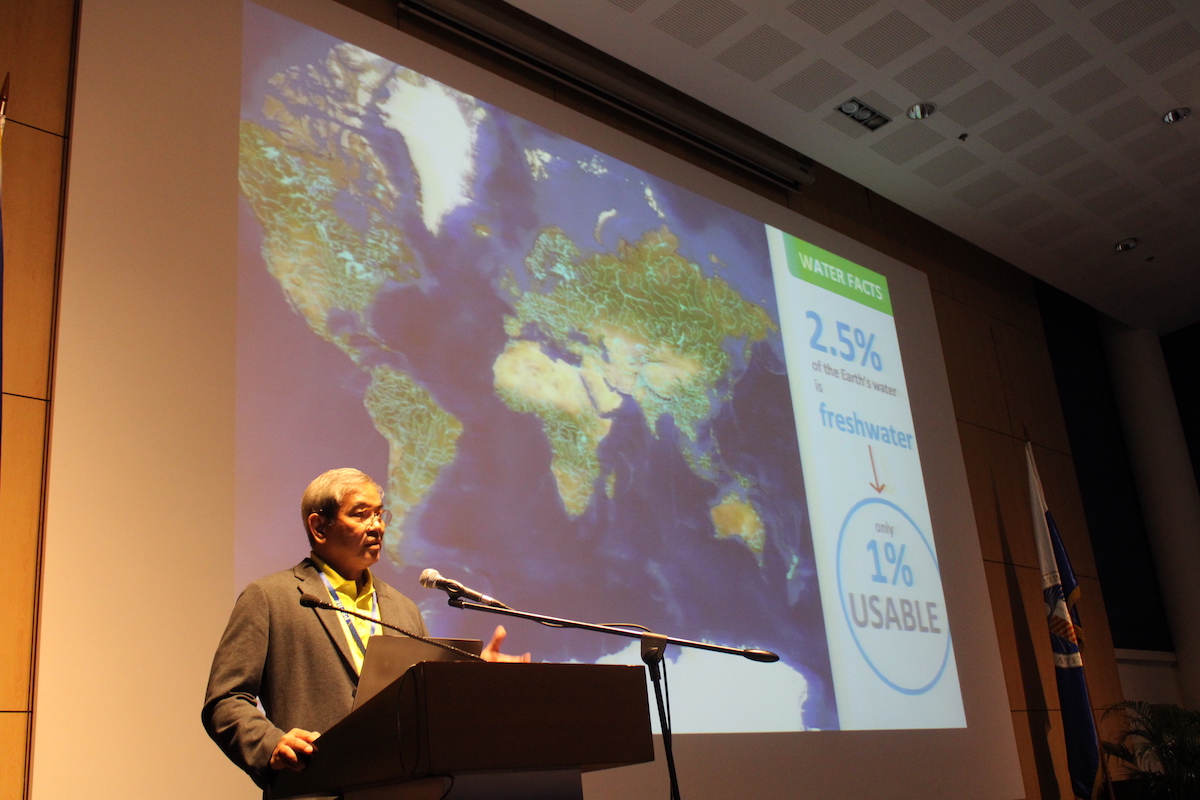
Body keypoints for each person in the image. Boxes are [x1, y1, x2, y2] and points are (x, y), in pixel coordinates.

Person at [202, 468, 528, 793]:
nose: (377, 526)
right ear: (319, 526)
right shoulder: (271, 598)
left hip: (400, 789)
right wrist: (270, 744)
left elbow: (422, 703)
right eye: (361, 515)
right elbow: (225, 700)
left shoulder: (403, 609)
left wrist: (475, 675)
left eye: (379, 514)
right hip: (315, 785)